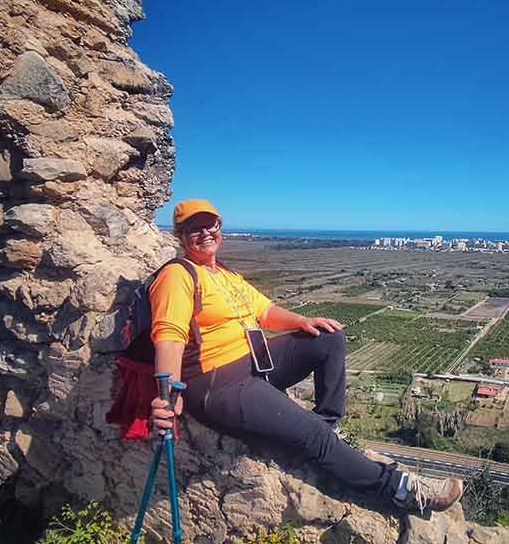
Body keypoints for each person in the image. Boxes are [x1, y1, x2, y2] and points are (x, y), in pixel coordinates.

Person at [148, 199, 463, 513]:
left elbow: (265, 311)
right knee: (310, 436)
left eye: (210, 224)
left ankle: (327, 423)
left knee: (328, 337)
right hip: (219, 383)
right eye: (194, 227)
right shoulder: (178, 276)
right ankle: (401, 490)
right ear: (180, 235)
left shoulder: (225, 274)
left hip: (255, 362)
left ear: (220, 227)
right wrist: (169, 394)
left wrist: (302, 322)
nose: (205, 232)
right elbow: (169, 337)